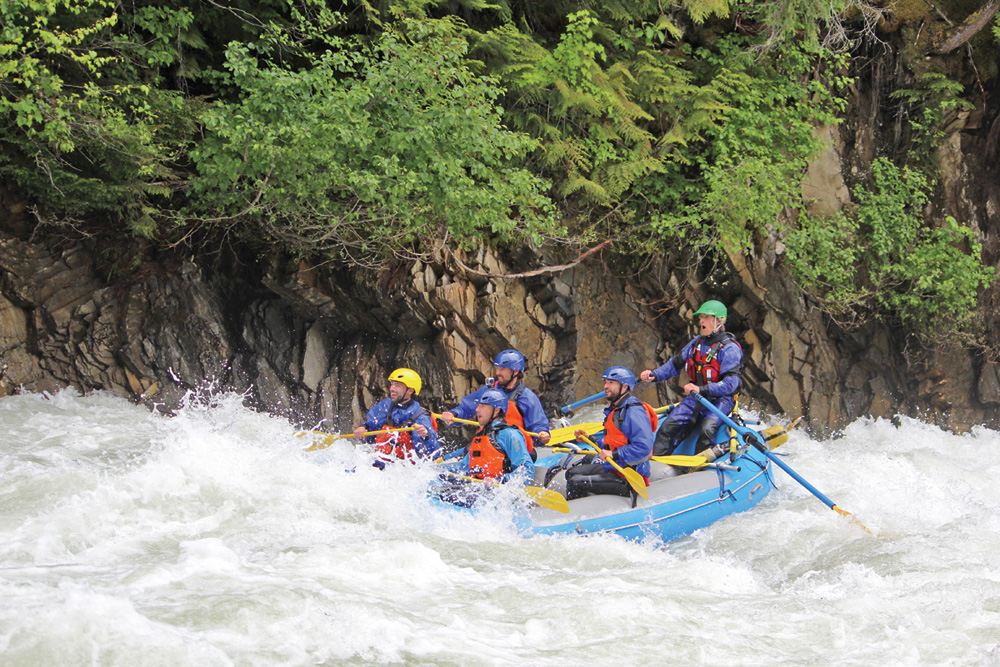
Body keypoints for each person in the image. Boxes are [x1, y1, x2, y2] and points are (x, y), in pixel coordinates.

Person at [640, 300, 743, 460]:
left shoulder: (730, 348)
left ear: (720, 321)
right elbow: (674, 365)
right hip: (696, 397)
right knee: (667, 427)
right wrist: (655, 374)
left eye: (707, 317)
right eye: (701, 317)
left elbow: (731, 384)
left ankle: (699, 470)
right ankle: (657, 465)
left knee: (707, 430)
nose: (702, 321)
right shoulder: (696, 343)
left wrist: (701, 390)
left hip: (720, 399)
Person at [564, 366, 655, 500]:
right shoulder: (616, 409)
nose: (606, 386)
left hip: (629, 475)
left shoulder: (633, 411)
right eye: (605, 382)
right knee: (571, 473)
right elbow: (614, 443)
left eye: (611, 383)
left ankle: (583, 516)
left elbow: (644, 448)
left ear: (624, 387)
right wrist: (591, 439)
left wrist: (614, 454)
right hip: (614, 468)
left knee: (575, 482)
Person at [437, 389, 535, 507]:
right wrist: (440, 472)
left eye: (483, 406)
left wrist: (499, 481)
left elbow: (527, 470)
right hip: (478, 491)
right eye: (478, 406)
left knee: (450, 498)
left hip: (500, 496)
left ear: (496, 410)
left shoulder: (510, 435)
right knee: (440, 494)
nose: (477, 410)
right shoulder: (480, 437)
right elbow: (464, 469)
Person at [439, 349, 551, 450]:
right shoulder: (488, 390)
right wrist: (453, 414)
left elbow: (538, 425)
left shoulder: (527, 397)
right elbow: (465, 409)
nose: (498, 373)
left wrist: (542, 435)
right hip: (485, 446)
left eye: (502, 369)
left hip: (513, 450)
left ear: (515, 371)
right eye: (497, 368)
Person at [354, 368, 440, 464]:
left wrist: (426, 435)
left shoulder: (420, 416)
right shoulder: (385, 405)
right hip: (381, 463)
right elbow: (372, 427)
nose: (392, 389)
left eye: (397, 386)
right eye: (392, 384)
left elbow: (434, 453)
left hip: (405, 468)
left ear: (410, 390)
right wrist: (363, 428)